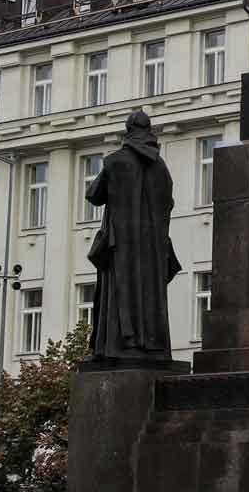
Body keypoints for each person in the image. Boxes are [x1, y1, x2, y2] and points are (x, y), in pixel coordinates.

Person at [86, 108, 181, 360]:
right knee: (151, 296)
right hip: (152, 251)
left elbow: (93, 195)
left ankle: (115, 348)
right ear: (148, 132)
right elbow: (169, 203)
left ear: (128, 131)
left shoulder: (115, 161)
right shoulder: (161, 168)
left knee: (118, 293)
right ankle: (152, 346)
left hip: (122, 248)